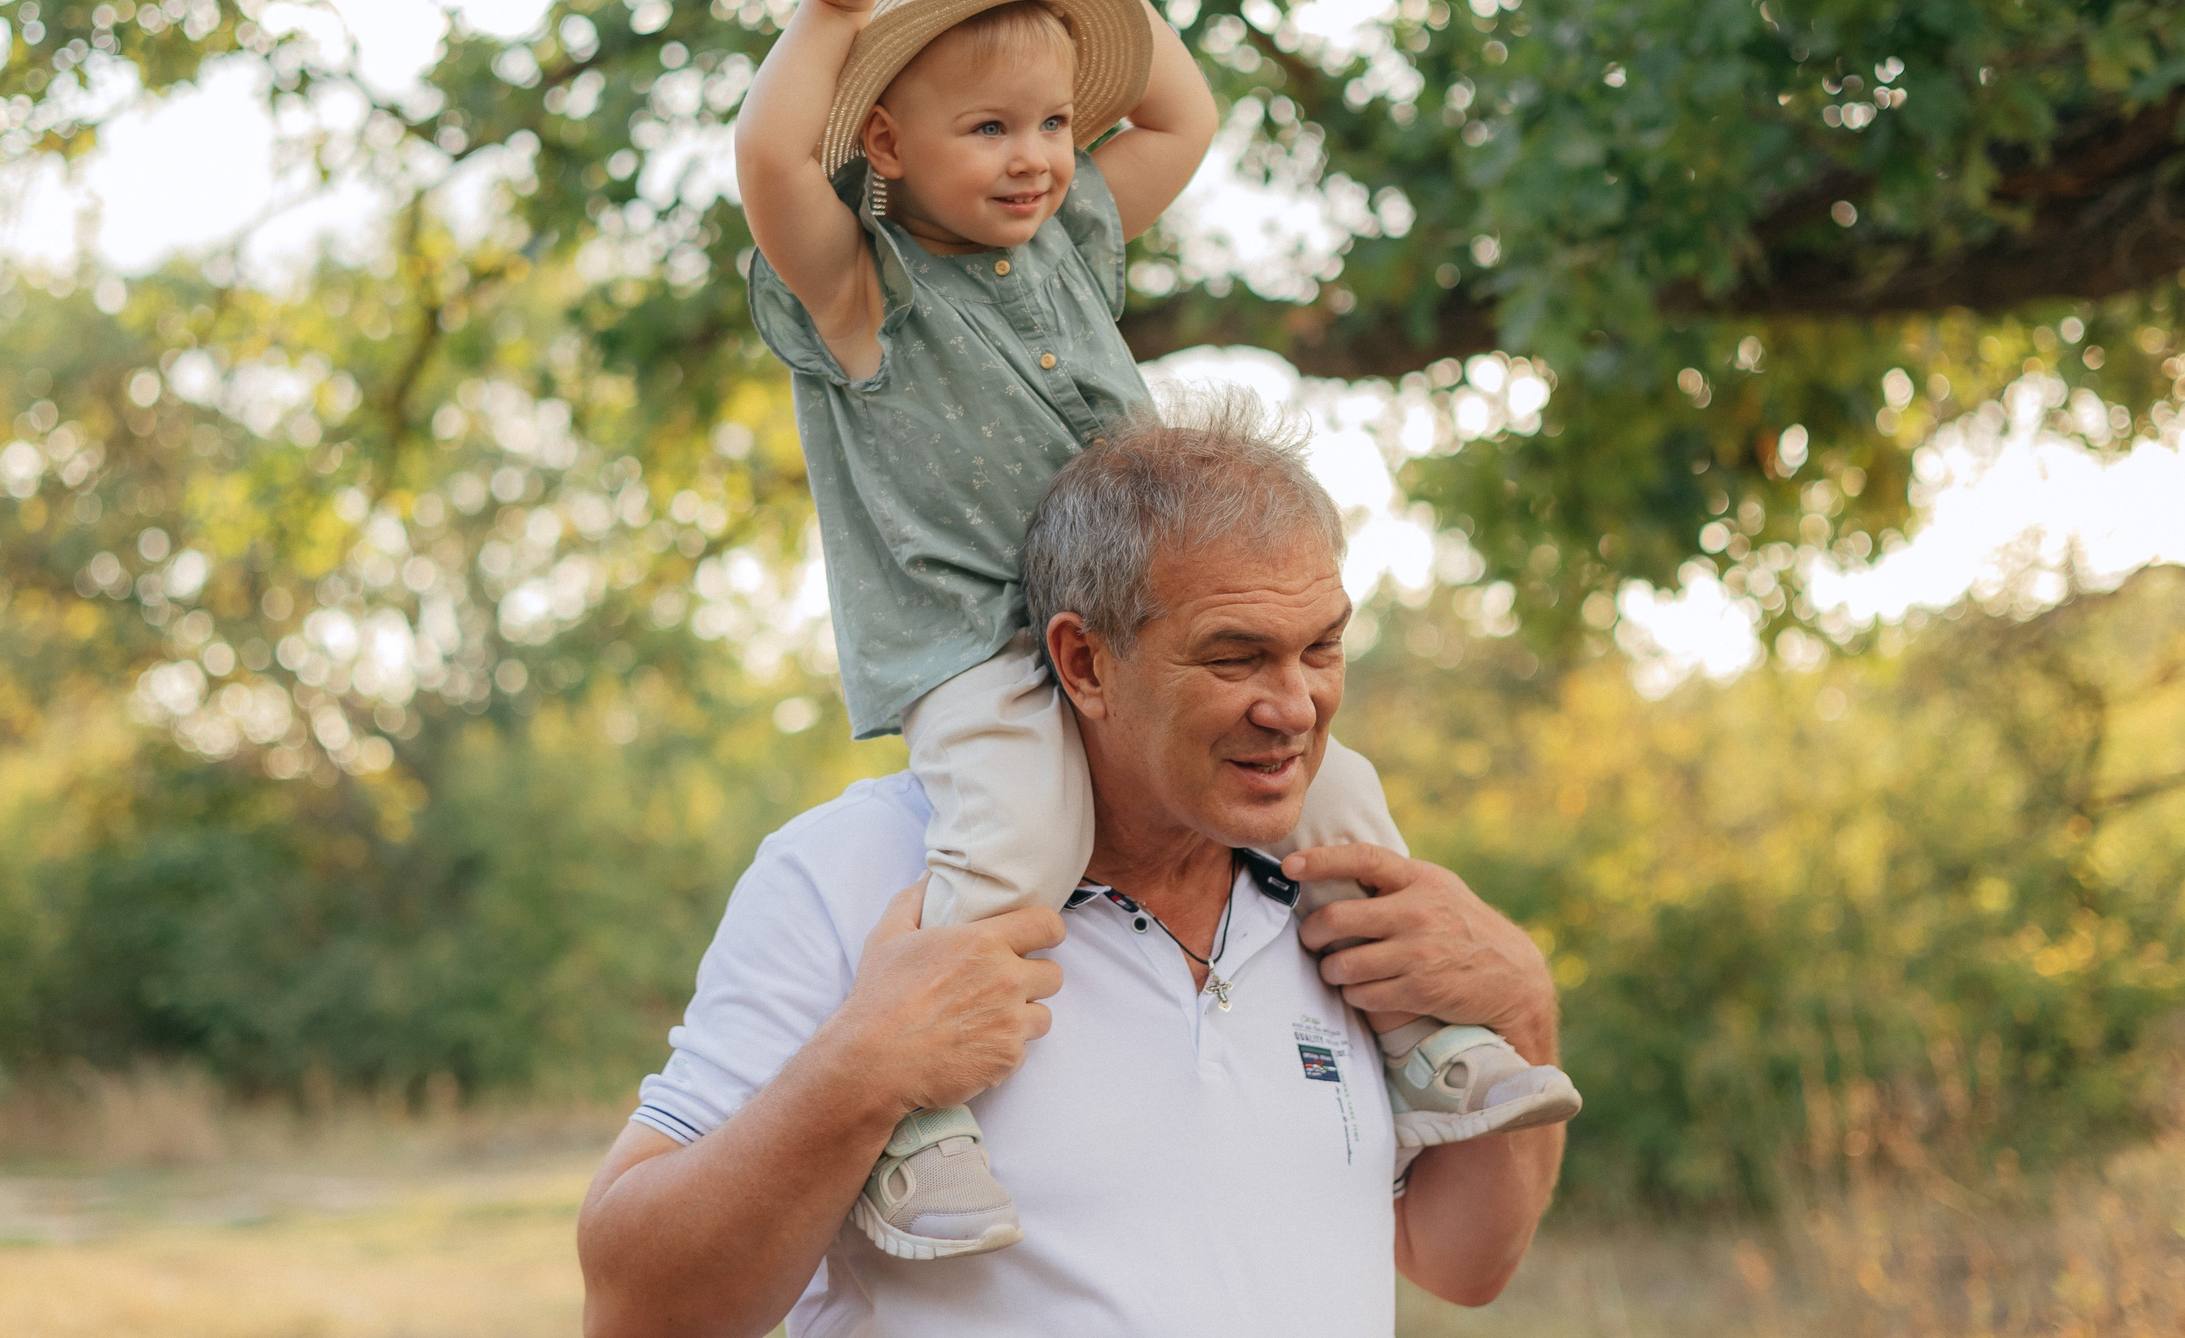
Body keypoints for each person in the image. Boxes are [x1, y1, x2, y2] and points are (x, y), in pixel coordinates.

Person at [704, 0, 1578, 1260]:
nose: (1036, 156)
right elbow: (768, 157)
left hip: (1140, 627)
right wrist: (828, 18)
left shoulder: (1069, 245)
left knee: (1342, 798)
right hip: (980, 647)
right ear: (884, 143)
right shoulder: (862, 292)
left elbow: (1183, 117)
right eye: (989, 128)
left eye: (1055, 122)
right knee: (1019, 832)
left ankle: (1421, 1044)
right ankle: (921, 1121)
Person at [577, 399, 1569, 1335]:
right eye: (1234, 658)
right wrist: (862, 1070)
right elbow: (633, 1310)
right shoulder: (851, 870)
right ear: (1085, 662)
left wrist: (1520, 1007)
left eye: (1321, 647)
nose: (1295, 706)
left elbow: (1460, 1260)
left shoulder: (1353, 899)